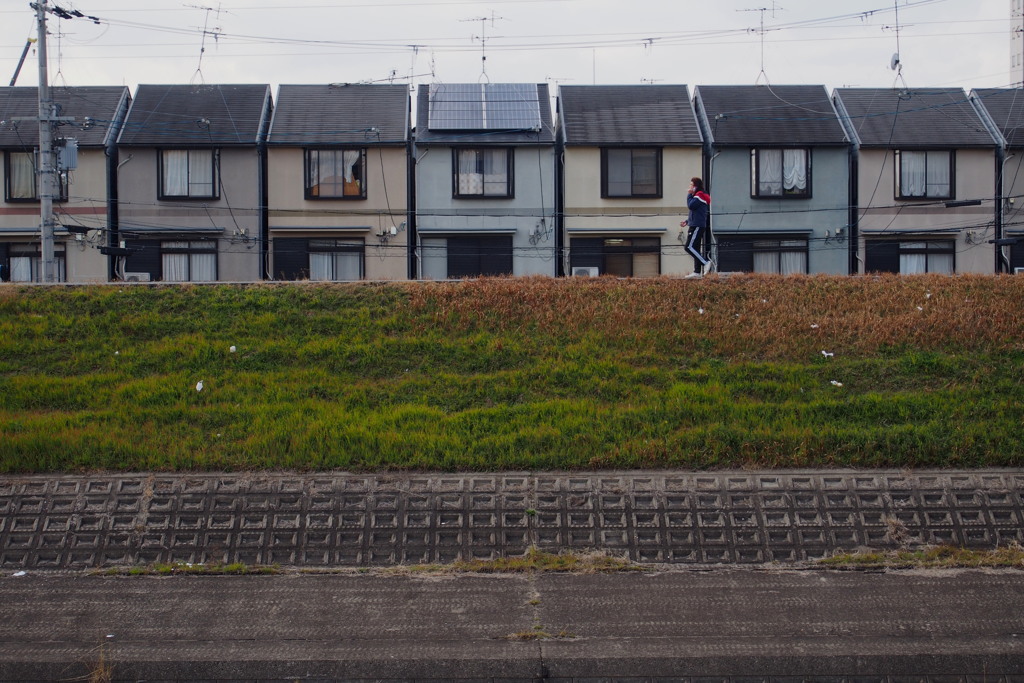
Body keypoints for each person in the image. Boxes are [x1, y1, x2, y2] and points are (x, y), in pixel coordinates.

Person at [680, 177, 711, 277]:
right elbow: (696, 212)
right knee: (695, 248)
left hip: (697, 226)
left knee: (689, 247)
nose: (689, 187)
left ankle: (705, 262)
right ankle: (697, 271)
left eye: (691, 185)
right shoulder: (697, 196)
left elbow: (691, 206)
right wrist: (687, 221)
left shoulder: (700, 195)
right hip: (694, 224)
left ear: (695, 187)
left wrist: (689, 194)